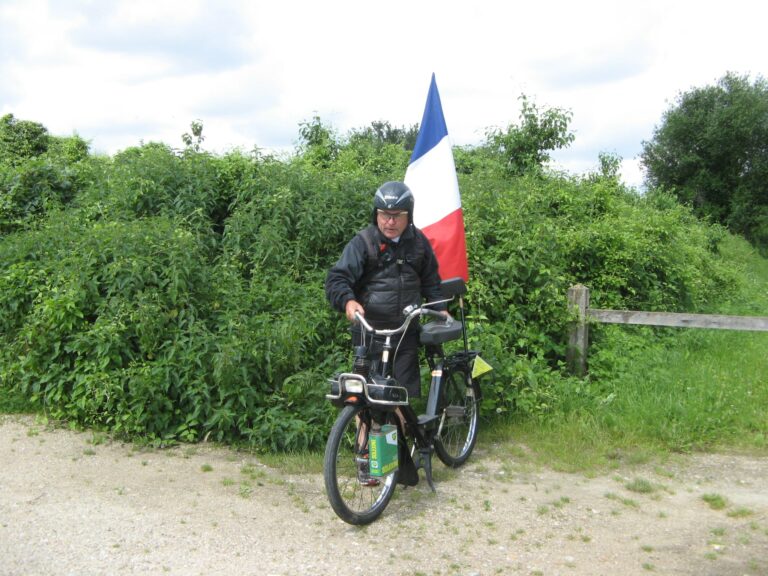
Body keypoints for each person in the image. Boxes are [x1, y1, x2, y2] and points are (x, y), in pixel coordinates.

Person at [325, 181, 447, 400]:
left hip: (405, 331)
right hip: (370, 332)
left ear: (408, 215)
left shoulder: (419, 243)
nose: (390, 222)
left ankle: (400, 435)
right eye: (384, 215)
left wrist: (439, 308)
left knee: (400, 396)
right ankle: (362, 435)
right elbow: (337, 278)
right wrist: (348, 301)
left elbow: (431, 281)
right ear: (376, 214)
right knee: (365, 396)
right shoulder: (363, 243)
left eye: (397, 215)